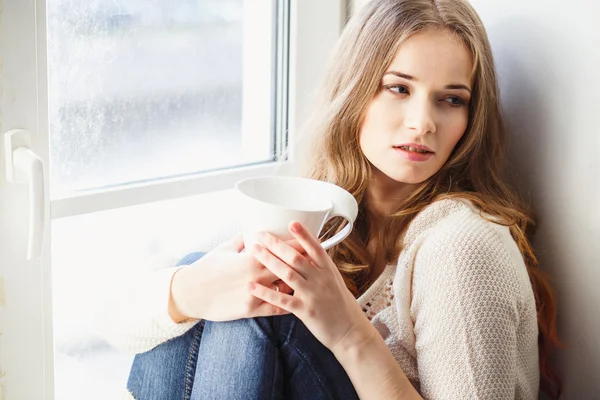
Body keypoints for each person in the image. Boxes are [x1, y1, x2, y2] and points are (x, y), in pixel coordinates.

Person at [107, 0, 562, 398]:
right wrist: (191, 291)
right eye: (398, 88)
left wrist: (349, 332)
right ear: (355, 90)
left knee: (269, 307)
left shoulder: (461, 246)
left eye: (450, 100)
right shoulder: (317, 206)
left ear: (471, 116)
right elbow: (118, 324)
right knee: (220, 281)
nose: (422, 123)